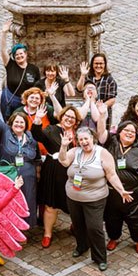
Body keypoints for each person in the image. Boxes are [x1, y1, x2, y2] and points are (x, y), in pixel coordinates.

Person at [59, 127, 133, 271]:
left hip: (95, 199)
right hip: (73, 197)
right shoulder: (75, 151)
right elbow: (63, 161)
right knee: (78, 225)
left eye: (86, 138)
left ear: (92, 138)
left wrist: (121, 190)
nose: (84, 142)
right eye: (80, 139)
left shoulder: (102, 153)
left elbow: (111, 174)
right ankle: (82, 246)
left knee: (94, 228)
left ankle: (100, 257)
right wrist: (63, 146)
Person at [96, 118, 138, 254]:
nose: (129, 133)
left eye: (132, 131)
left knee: (137, 219)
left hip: (135, 193)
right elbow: (101, 132)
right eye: (126, 130)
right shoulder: (111, 143)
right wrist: (103, 114)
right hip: (112, 191)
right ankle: (113, 238)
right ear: (120, 131)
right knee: (112, 217)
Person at [32, 105, 82, 247]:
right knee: (50, 205)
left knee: (75, 204)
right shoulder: (52, 129)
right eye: (67, 116)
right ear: (62, 116)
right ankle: (47, 234)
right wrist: (37, 119)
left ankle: (75, 226)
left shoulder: (78, 134)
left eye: (73, 117)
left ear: (76, 120)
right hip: (53, 171)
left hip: (72, 172)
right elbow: (37, 135)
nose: (69, 119)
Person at [0, 101, 40, 223]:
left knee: (27, 201)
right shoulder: (4, 132)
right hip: (8, 175)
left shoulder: (31, 137)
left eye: (22, 122)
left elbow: (36, 157)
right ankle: (7, 227)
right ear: (11, 123)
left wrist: (37, 173)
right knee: (8, 202)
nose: (19, 124)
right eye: (16, 122)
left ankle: (24, 228)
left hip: (28, 177)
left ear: (26, 125)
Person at [0, 22, 40, 117]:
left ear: (26, 54)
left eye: (21, 54)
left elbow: (37, 87)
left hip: (25, 102)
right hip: (10, 99)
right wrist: (4, 33)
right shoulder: (11, 65)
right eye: (16, 55)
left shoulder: (33, 69)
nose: (19, 56)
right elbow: (3, 50)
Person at [77, 53, 118, 124]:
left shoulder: (110, 80)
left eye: (101, 63)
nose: (98, 66)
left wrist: (100, 107)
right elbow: (79, 89)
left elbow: (113, 99)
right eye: (96, 63)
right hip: (86, 112)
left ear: (105, 65)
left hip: (102, 114)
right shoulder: (88, 77)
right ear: (92, 65)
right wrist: (83, 75)